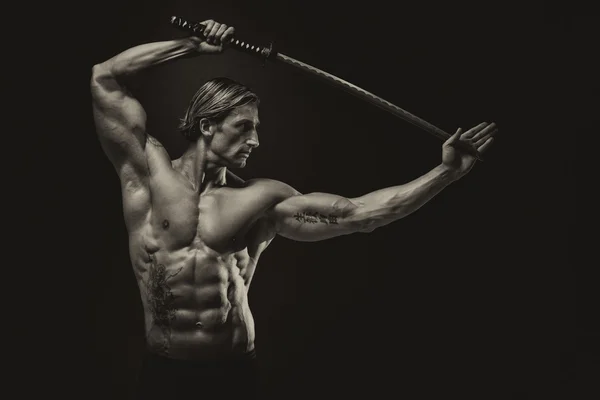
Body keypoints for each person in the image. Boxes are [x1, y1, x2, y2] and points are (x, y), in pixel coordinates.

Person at [90, 18, 497, 399]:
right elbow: (105, 77)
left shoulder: (263, 200)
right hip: (166, 373)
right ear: (207, 125)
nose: (255, 141)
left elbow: (360, 215)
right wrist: (191, 45)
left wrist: (445, 173)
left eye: (257, 129)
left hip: (233, 372)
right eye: (244, 126)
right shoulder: (146, 173)